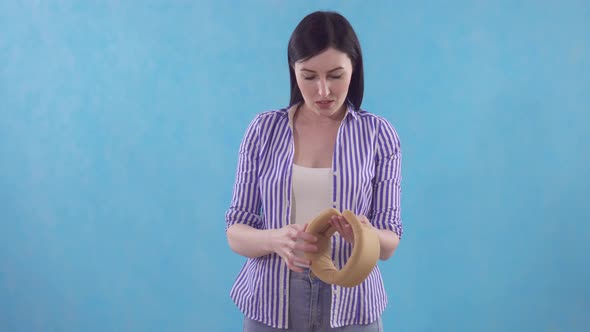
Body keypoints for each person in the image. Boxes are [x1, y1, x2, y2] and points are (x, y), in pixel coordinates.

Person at [225, 11, 403, 331]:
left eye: (336, 75)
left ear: (354, 68)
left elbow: (390, 242)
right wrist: (276, 240)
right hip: (271, 302)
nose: (323, 91)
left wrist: (366, 236)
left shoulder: (380, 136)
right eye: (309, 76)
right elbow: (236, 232)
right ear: (293, 72)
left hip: (353, 303)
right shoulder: (263, 131)